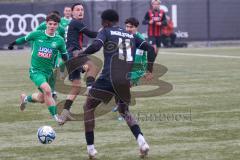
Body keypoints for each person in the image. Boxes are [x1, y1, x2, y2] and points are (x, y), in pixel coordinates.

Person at [66, 9, 156, 158]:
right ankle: (142, 142)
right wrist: (149, 69)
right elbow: (151, 49)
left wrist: (81, 54)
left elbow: (95, 46)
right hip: (125, 79)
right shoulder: (131, 35)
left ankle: (91, 149)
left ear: (106, 22)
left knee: (88, 106)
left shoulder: (106, 31)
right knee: (124, 111)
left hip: (108, 77)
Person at [8, 13, 68, 124]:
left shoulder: (59, 40)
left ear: (58, 26)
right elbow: (24, 38)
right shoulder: (37, 34)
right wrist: (13, 43)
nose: (52, 26)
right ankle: (57, 118)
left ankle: (25, 98)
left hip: (50, 73)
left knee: (42, 98)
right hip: (36, 71)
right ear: (46, 24)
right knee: (48, 91)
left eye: (55, 24)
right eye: (50, 24)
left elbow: (65, 56)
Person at [59, 3, 99, 122]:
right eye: (77, 10)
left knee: (76, 87)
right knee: (93, 68)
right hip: (75, 54)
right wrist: (104, 33)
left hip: (69, 57)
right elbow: (91, 34)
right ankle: (90, 88)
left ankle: (64, 113)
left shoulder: (74, 23)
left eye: (82, 9)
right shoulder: (76, 22)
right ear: (72, 13)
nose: (80, 11)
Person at [112, 17, 152, 119]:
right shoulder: (124, 38)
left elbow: (143, 56)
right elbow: (121, 55)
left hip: (136, 69)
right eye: (127, 26)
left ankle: (124, 112)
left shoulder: (140, 39)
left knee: (124, 88)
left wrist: (146, 70)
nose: (129, 29)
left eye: (131, 27)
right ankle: (119, 105)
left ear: (136, 27)